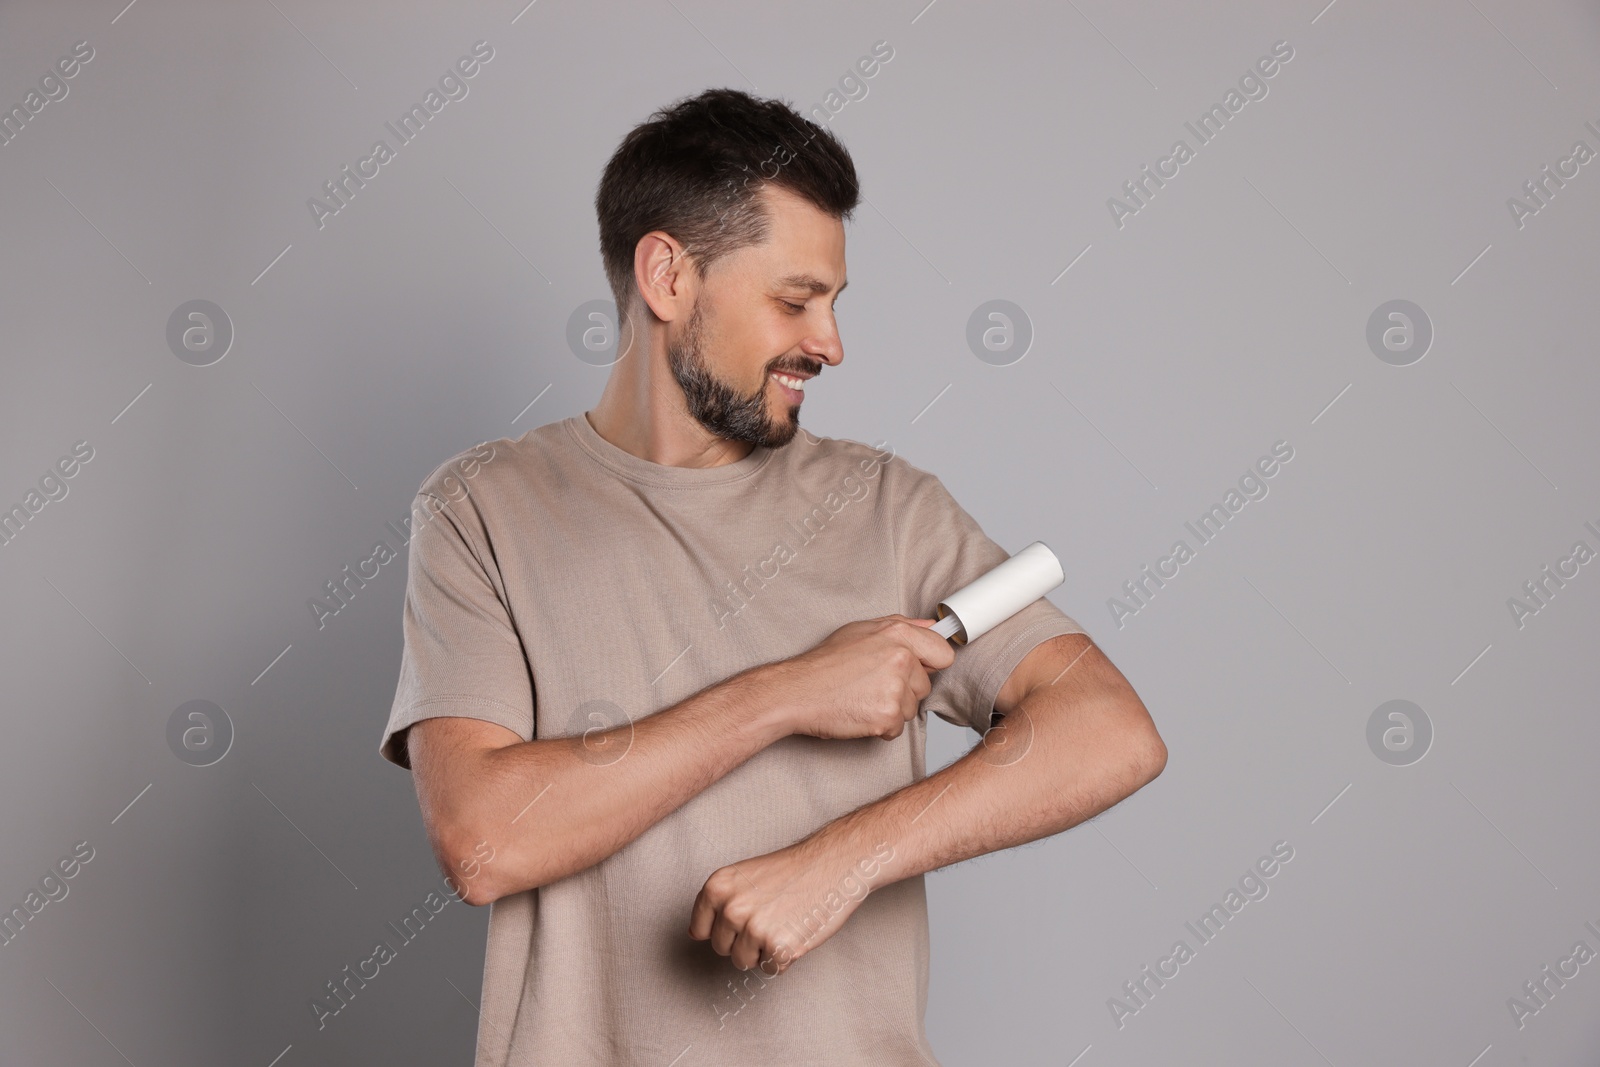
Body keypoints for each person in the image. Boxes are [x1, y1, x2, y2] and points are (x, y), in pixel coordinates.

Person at [380, 86, 1165, 1066]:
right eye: (794, 300)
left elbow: (1109, 731)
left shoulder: (887, 505)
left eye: (832, 303)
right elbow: (487, 840)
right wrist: (788, 692)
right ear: (667, 276)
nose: (830, 343)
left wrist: (841, 860)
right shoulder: (481, 509)